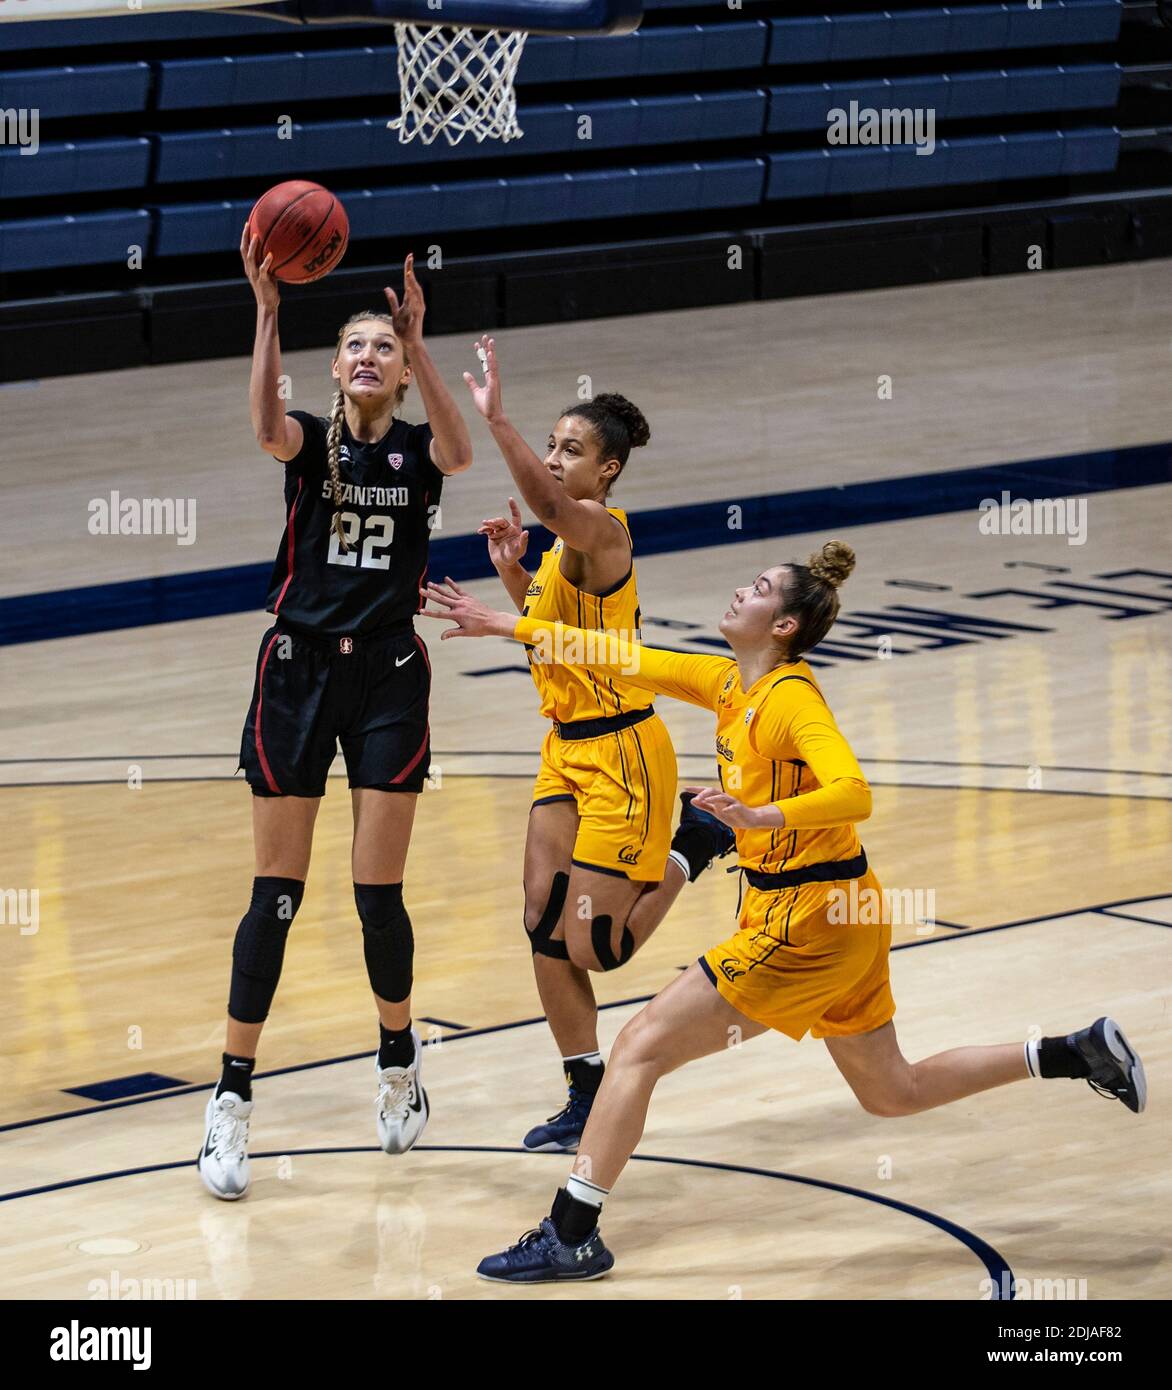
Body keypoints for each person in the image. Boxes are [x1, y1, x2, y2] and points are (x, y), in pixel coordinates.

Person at [420, 545, 1147, 1282]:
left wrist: (763, 815)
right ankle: (1071, 1052)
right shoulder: (731, 682)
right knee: (893, 1091)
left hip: (811, 917)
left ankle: (572, 1233)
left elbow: (855, 791)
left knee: (639, 1046)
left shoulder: (791, 699)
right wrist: (504, 624)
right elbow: (618, 655)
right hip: (846, 908)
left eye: (760, 588)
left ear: (785, 624)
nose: (740, 590)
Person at [197, 233, 473, 1201]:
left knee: (375, 895)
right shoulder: (310, 439)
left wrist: (423, 340)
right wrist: (268, 310)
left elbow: (461, 448)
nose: (367, 355)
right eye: (354, 344)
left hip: (389, 676)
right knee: (275, 893)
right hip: (296, 674)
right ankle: (230, 1099)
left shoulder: (416, 448)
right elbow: (265, 427)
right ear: (333, 365)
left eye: (382, 347)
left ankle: (398, 1064)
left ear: (399, 369)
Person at [463, 336, 736, 1154]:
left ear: (607, 469)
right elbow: (550, 637)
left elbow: (549, 510)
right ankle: (584, 1090)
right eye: (548, 444)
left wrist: (499, 422)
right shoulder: (558, 551)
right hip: (566, 749)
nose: (552, 459)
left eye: (568, 450)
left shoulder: (604, 535)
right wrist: (515, 577)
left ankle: (692, 843)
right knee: (541, 921)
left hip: (623, 756)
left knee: (598, 945)